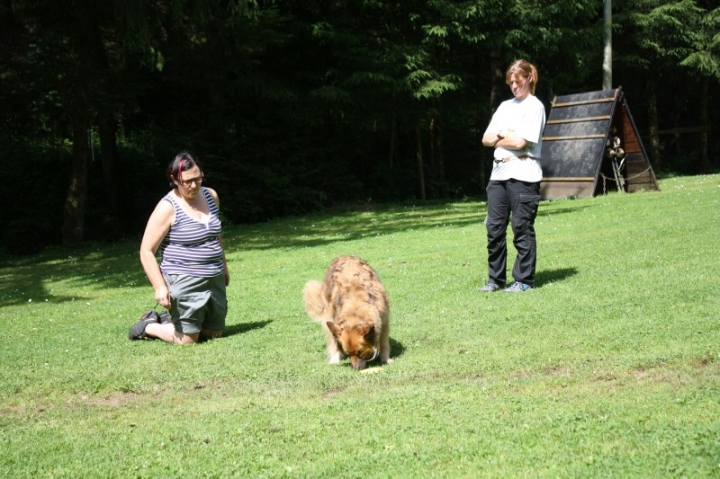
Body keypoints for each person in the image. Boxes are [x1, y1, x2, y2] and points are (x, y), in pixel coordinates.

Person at [130, 151, 230, 343]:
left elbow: (216, 236)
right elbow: (146, 251)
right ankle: (149, 326)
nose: (194, 185)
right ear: (174, 179)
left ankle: (175, 319)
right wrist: (160, 287)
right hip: (183, 276)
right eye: (188, 181)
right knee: (187, 340)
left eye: (198, 179)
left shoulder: (211, 196)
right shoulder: (168, 207)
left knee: (213, 334)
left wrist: (224, 267)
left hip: (213, 275)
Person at [479, 59, 546, 293]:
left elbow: (521, 142)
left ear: (529, 78)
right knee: (494, 228)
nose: (514, 87)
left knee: (521, 227)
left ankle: (523, 280)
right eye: (511, 83)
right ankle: (495, 280)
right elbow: (486, 139)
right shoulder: (505, 107)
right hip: (498, 175)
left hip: (524, 175)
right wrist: (505, 135)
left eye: (518, 82)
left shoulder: (535, 107)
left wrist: (502, 135)